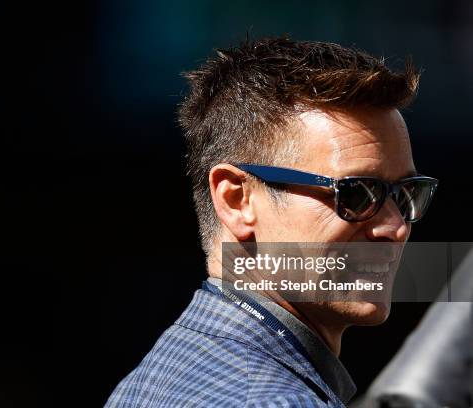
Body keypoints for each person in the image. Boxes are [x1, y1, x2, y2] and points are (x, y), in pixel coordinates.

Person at [106, 36, 437, 407]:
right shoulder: (273, 400)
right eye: (356, 193)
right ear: (236, 199)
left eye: (408, 193)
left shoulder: (160, 374)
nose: (395, 228)